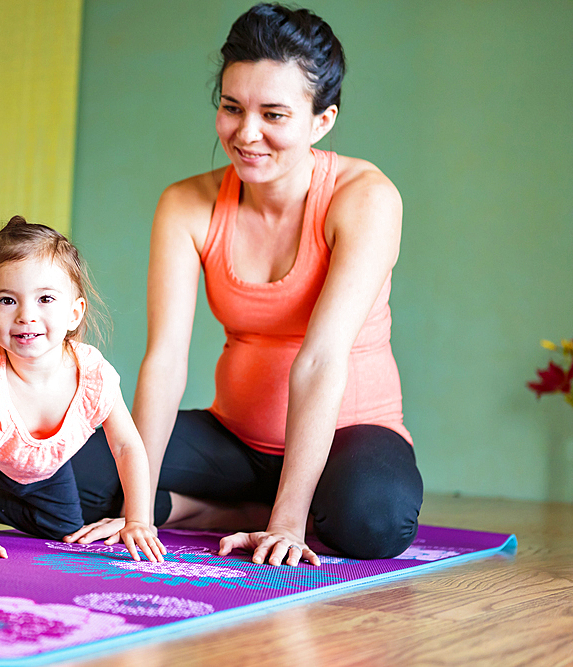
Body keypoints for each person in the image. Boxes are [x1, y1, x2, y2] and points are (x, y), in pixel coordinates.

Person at [67, 3, 423, 566]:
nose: (247, 134)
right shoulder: (186, 204)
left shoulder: (366, 198)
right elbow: (165, 358)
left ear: (321, 120)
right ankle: (224, 510)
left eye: (275, 115)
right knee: (64, 474)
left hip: (349, 435)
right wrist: (137, 512)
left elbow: (322, 356)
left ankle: (276, 507)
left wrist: (286, 527)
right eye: (232, 108)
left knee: (374, 522)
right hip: (233, 440)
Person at [0, 216, 166, 563]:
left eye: (45, 299)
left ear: (74, 313)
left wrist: (138, 521)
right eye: (7, 301)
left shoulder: (94, 376)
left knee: (66, 528)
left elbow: (127, 446)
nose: (26, 315)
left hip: (44, 464)